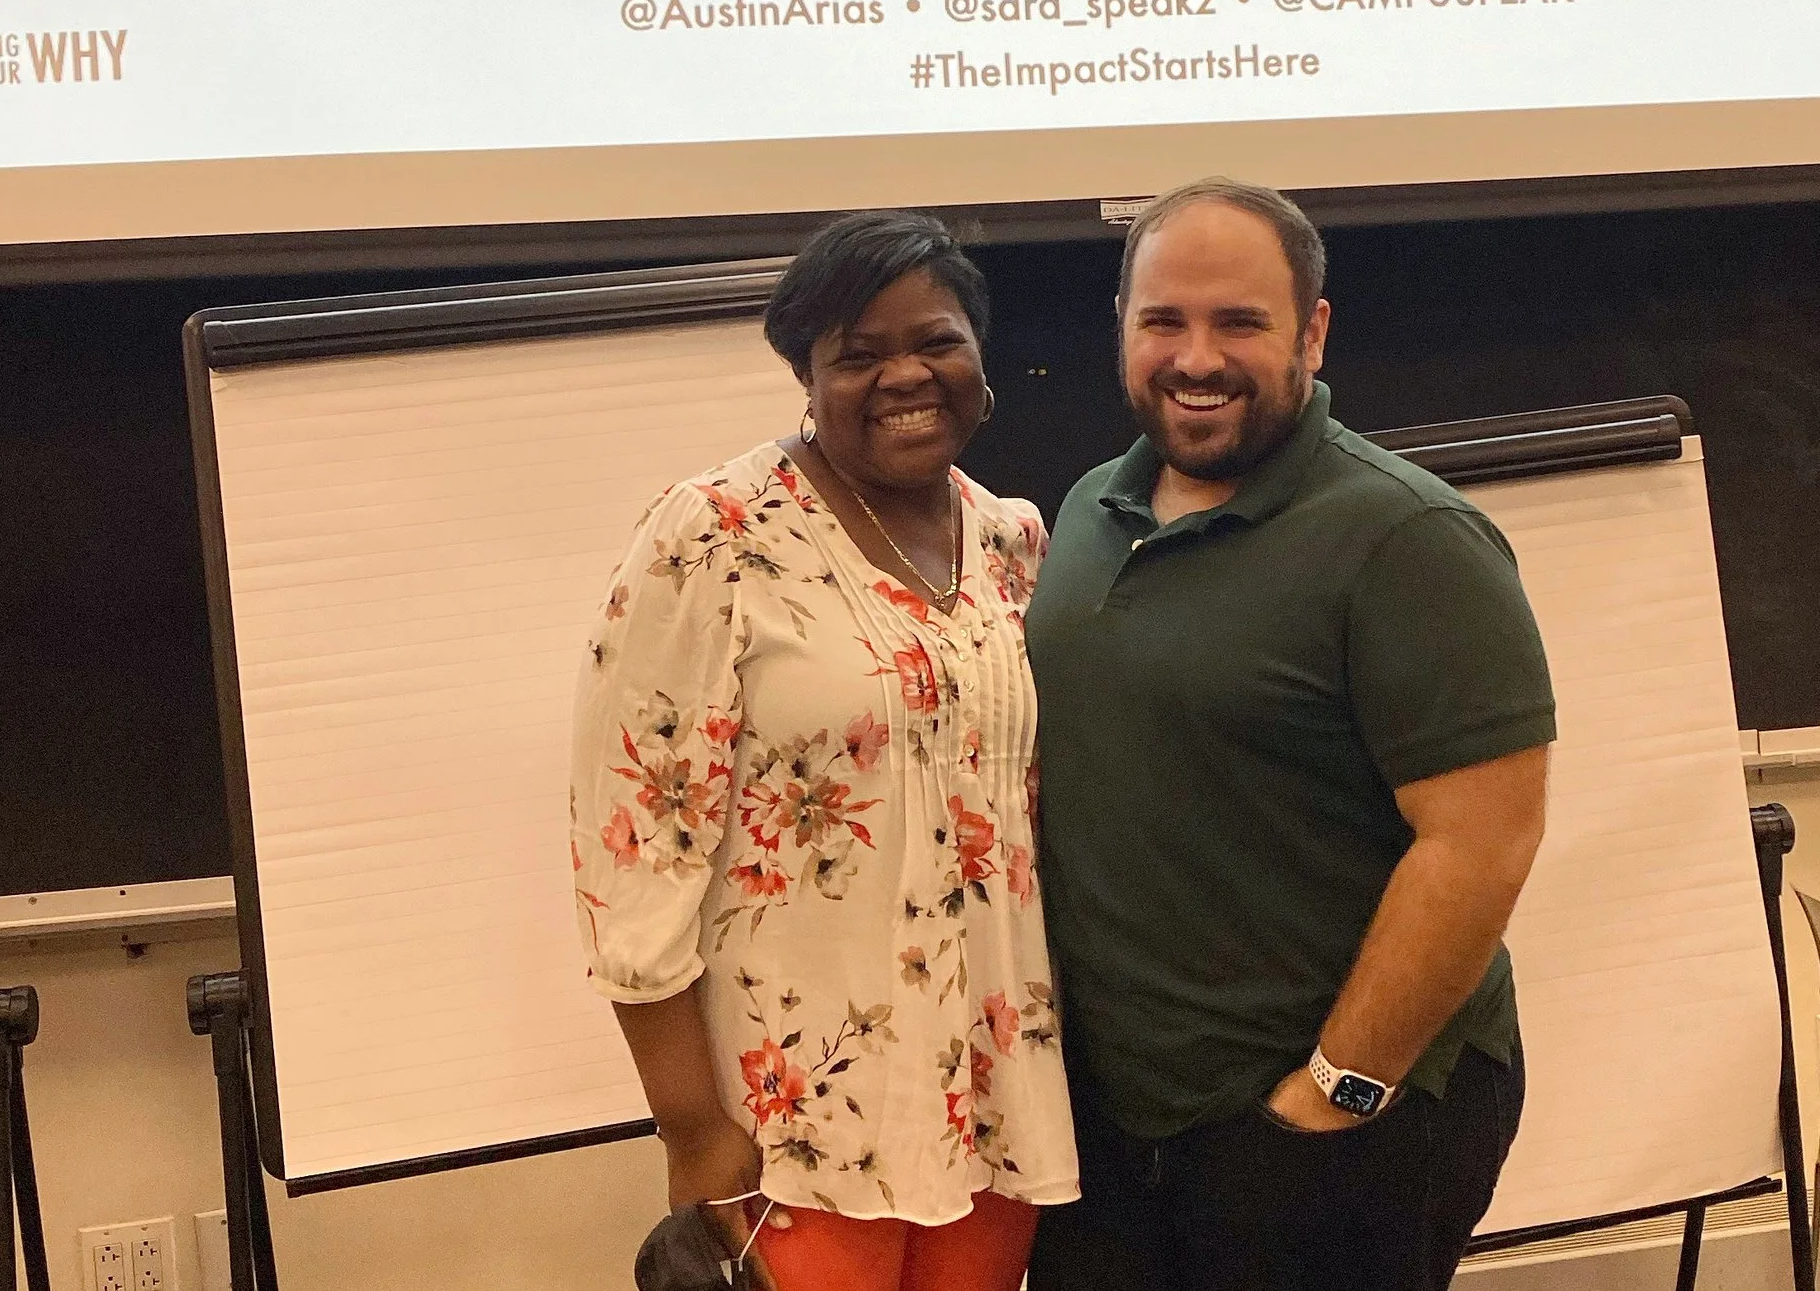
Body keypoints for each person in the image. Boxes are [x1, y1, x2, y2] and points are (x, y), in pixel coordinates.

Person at [1025, 178, 1556, 1291]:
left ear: (1312, 332)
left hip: (1326, 1122)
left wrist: (1335, 1093)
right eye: (1163, 319)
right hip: (1116, 1130)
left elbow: (1480, 844)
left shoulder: (1409, 538)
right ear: (1121, 328)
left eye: (1239, 321)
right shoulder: (1083, 515)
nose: (1196, 356)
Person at [572, 210, 1077, 1291]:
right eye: (859, 353)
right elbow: (636, 850)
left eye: (935, 340)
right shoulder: (712, 533)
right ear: (808, 374)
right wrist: (692, 1131)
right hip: (796, 1119)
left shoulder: (1013, 542)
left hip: (995, 1096)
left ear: (980, 358)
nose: (905, 374)